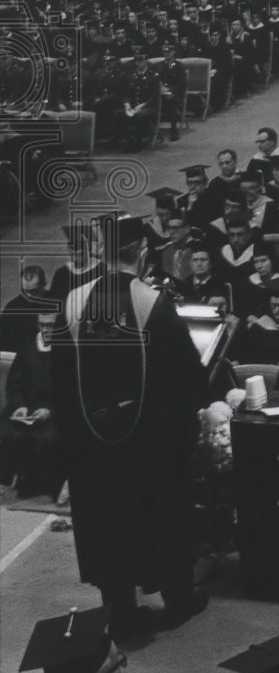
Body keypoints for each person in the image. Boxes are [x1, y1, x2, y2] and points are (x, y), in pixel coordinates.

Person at [51, 216, 209, 642]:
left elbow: (60, 381)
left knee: (106, 522)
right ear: (142, 252)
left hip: (91, 447)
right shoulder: (153, 304)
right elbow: (189, 379)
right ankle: (177, 602)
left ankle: (121, 615)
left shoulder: (72, 302)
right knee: (163, 515)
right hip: (149, 445)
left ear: (103, 250)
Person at [0, 312, 63, 500]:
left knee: (47, 438)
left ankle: (39, 486)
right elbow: (14, 384)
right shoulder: (27, 346)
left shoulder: (66, 349)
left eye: (50, 325)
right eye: (42, 325)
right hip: (25, 407)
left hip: (54, 409)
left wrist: (50, 410)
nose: (46, 330)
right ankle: (10, 482)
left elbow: (70, 390)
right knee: (8, 432)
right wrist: (19, 406)